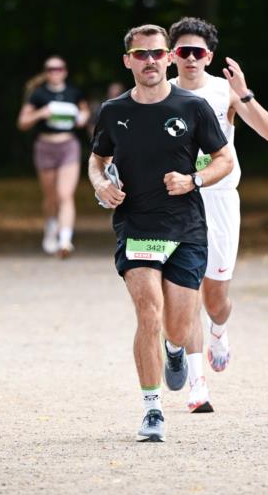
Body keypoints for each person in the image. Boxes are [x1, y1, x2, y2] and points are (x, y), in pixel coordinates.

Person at [89, 24, 233, 442]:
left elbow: (223, 158)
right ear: (128, 60)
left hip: (186, 228)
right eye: (140, 54)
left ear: (168, 58)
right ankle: (152, 410)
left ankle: (175, 349)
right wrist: (100, 185)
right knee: (148, 312)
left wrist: (195, 180)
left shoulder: (193, 107)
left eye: (156, 54)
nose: (149, 61)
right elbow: (97, 160)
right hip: (137, 225)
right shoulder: (114, 110)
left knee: (177, 324)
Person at [170, 16, 268, 413]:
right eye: (183, 51)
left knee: (215, 300)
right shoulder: (160, 94)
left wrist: (245, 94)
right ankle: (197, 385)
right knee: (182, 295)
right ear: (172, 56)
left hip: (218, 201)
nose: (191, 59)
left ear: (209, 57)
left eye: (198, 52)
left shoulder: (223, 92)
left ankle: (219, 330)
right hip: (175, 203)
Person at [17, 56, 90, 257]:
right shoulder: (38, 94)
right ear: (46, 72)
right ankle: (51, 228)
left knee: (65, 195)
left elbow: (85, 115)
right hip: (45, 146)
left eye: (59, 68)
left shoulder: (74, 92)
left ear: (65, 71)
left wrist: (82, 118)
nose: (55, 72)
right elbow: (22, 122)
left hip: (68, 146)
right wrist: (41, 113)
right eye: (50, 69)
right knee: (51, 196)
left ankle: (65, 240)